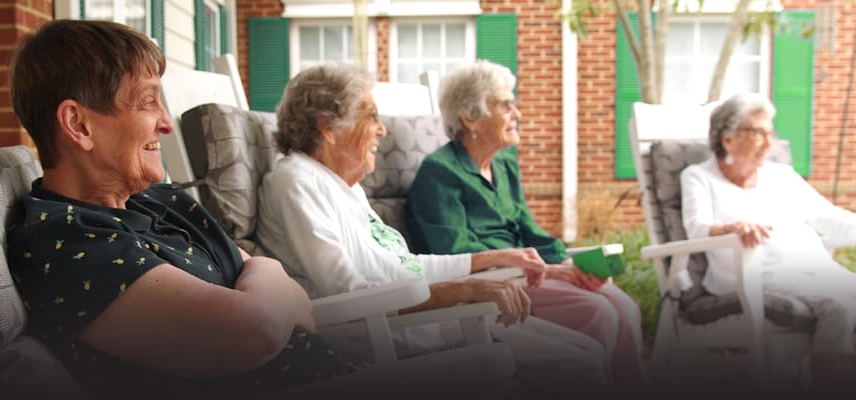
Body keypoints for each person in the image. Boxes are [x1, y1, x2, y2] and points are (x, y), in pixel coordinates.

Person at [6, 20, 349, 398]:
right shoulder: (67, 242)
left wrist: (264, 275)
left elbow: (296, 303)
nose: (167, 123)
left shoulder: (161, 200)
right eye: (147, 101)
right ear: (79, 125)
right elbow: (255, 331)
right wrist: (264, 284)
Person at [256, 64, 611, 398]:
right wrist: (464, 290)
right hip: (384, 341)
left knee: (590, 353)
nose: (382, 130)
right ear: (327, 128)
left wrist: (488, 260)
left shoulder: (346, 188)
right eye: (372, 116)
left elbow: (405, 266)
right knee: (582, 367)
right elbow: (348, 291)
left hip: (428, 324)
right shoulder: (296, 181)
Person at [404, 60, 645, 395]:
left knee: (625, 306)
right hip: (490, 283)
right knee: (599, 311)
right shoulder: (439, 173)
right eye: (506, 105)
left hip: (528, 273)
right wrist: (545, 269)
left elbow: (530, 231)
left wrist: (570, 263)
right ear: (470, 118)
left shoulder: (503, 165)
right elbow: (454, 252)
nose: (517, 113)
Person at [680, 93, 856, 381]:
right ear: (728, 139)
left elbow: (834, 221)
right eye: (758, 133)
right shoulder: (698, 177)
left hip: (812, 269)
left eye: (769, 133)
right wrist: (732, 228)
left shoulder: (781, 176)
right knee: (840, 307)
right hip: (754, 274)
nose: (769, 143)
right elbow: (697, 226)